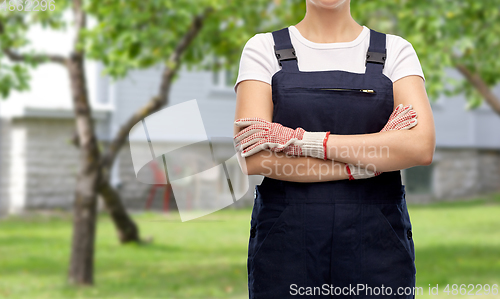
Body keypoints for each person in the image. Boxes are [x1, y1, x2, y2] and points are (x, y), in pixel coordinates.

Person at [233, 0, 436, 298]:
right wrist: (368, 163)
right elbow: (255, 158)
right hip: (286, 245)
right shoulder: (262, 49)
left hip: (377, 245)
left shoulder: (396, 51)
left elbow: (420, 147)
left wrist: (302, 141)